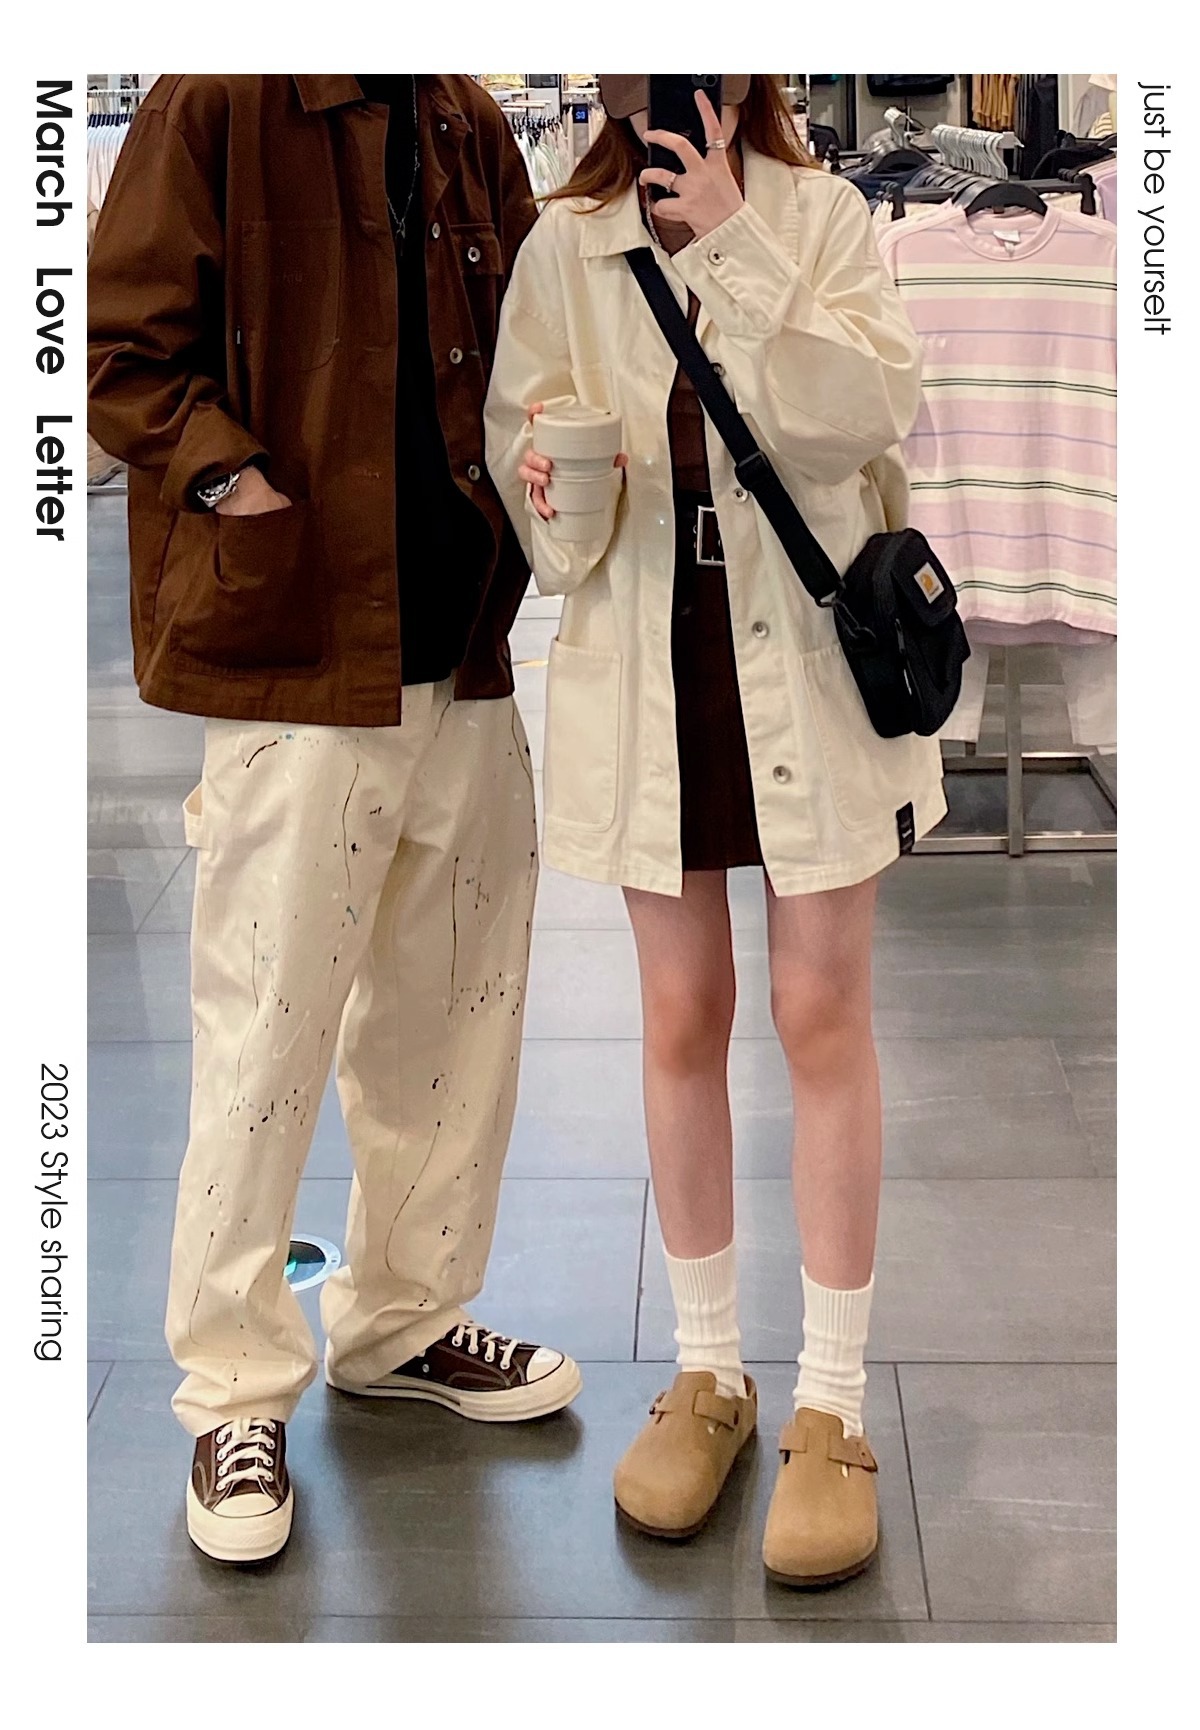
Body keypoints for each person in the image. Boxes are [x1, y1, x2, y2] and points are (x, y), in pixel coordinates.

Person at [88, 74, 582, 1567]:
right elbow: (121, 346)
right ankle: (235, 1389)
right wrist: (230, 482)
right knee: (265, 1034)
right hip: (300, 651)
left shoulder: (468, 121)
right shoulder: (219, 97)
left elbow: (531, 345)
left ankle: (403, 1320)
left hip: (468, 651)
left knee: (458, 1018)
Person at [484, 74, 945, 1586]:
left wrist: (738, 242)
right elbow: (535, 491)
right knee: (681, 1012)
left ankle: (832, 1402)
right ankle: (705, 1375)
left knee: (821, 1010)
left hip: (805, 661)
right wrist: (548, 491)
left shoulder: (825, 217)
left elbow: (864, 418)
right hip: (649, 657)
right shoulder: (567, 243)